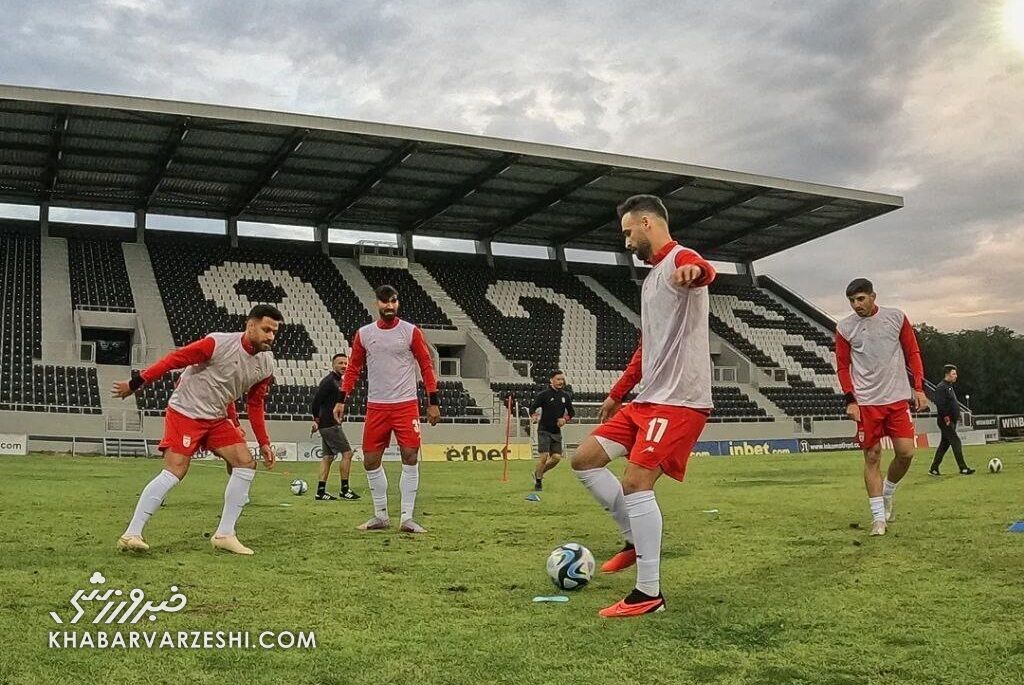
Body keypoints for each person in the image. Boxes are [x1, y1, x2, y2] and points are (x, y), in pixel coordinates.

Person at [570, 194, 715, 618]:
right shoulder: (651, 278)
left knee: (636, 483)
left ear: (648, 223)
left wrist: (696, 271)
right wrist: (618, 392)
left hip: (679, 401)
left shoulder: (678, 261)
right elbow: (647, 347)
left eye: (628, 230)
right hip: (647, 398)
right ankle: (633, 540)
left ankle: (648, 594)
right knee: (584, 460)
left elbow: (702, 267)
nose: (626, 239)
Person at [112, 304, 282, 555]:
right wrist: (136, 382)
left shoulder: (266, 364)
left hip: (216, 417)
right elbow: (174, 360)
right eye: (266, 329)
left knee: (245, 462)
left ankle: (225, 534)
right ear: (250, 325)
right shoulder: (218, 343)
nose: (271, 336)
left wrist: (264, 442)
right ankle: (132, 533)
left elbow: (255, 403)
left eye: (275, 332)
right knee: (175, 471)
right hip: (186, 412)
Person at [333, 285, 440, 533]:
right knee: (370, 460)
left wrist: (432, 401)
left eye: (393, 301)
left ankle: (407, 517)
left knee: (410, 456)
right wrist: (341, 399)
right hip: (376, 406)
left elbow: (426, 365)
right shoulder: (364, 334)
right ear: (377, 305)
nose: (389, 306)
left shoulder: (410, 332)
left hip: (405, 405)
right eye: (384, 302)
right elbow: (353, 369)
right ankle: (380, 516)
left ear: (397, 303)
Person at [835, 278, 928, 537]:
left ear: (873, 296)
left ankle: (888, 492)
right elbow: (843, 366)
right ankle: (878, 519)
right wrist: (850, 400)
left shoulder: (896, 317)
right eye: (852, 301)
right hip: (866, 403)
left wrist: (918, 388)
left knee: (906, 453)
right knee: (872, 457)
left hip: (897, 399)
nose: (856, 305)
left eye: (861, 299)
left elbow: (913, 352)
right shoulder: (844, 327)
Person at [310, 353, 361, 500]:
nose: (344, 366)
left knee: (328, 457)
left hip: (327, 424)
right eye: (340, 363)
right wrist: (316, 420)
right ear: (333, 364)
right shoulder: (329, 381)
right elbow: (316, 402)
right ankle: (345, 490)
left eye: (346, 363)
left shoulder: (339, 382)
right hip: (330, 424)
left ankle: (320, 492)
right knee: (347, 454)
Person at [529, 370, 575, 491]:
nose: (561, 382)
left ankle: (537, 473)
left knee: (556, 458)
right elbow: (533, 408)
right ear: (551, 380)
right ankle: (538, 482)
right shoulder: (544, 395)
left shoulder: (565, 396)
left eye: (562, 379)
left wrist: (565, 419)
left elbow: (571, 413)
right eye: (558, 379)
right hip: (544, 430)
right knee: (543, 457)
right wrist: (534, 416)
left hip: (556, 432)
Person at [929, 364, 975, 476]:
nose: (956, 376)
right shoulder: (941, 387)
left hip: (951, 420)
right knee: (956, 441)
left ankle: (934, 468)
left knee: (944, 445)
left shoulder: (949, 386)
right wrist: (947, 418)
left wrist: (956, 415)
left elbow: (951, 403)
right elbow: (940, 405)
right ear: (947, 374)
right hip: (946, 421)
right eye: (954, 374)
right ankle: (963, 468)